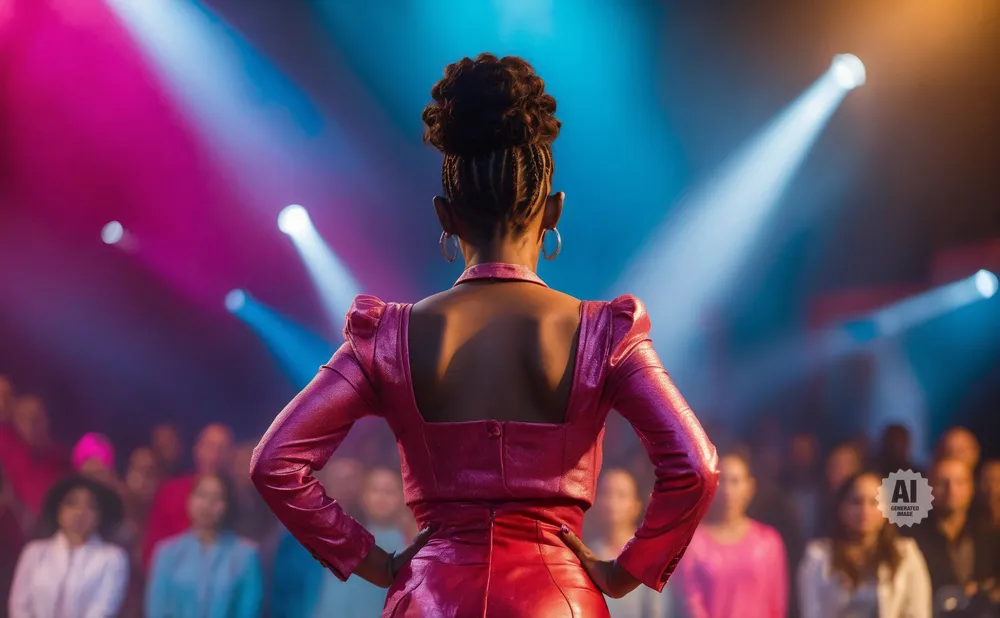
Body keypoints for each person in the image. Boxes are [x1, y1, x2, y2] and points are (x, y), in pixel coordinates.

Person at [251, 52, 719, 618]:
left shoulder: (388, 336)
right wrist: (626, 572)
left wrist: (373, 562)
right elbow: (696, 466)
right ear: (554, 211)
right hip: (559, 599)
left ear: (445, 217)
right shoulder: (605, 334)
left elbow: (275, 462)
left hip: (431, 597)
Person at [798, 471, 931, 618]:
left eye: (874, 502)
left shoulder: (906, 554)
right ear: (842, 508)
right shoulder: (818, 556)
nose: (865, 510)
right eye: (856, 502)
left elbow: (918, 613)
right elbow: (811, 612)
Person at [678, 452, 787, 618]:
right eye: (721, 480)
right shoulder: (693, 544)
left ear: (750, 487)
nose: (727, 490)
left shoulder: (768, 541)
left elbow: (776, 604)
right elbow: (691, 602)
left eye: (735, 481)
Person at [9, 476, 129, 618]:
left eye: (91, 506)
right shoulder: (34, 552)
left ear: (100, 516)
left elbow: (103, 609)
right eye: (71, 503)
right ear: (58, 510)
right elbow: (19, 605)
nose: (80, 512)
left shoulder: (113, 558)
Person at [146, 473, 263, 618]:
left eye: (216, 498)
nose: (207, 504)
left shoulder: (246, 556)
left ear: (228, 504)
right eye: (202, 495)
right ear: (189, 500)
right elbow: (157, 610)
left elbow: (248, 612)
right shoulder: (167, 553)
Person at [906, 457, 1000, 610]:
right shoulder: (911, 537)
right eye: (942, 483)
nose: (952, 490)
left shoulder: (990, 533)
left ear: (971, 487)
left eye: (960, 482)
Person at [588, 468, 681, 618]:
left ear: (636, 505)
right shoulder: (588, 552)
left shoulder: (649, 555)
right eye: (606, 493)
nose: (612, 503)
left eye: (621, 495)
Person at [143, 422, 234, 568]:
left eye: (222, 449)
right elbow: (151, 549)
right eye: (210, 446)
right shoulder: (170, 491)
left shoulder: (235, 499)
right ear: (197, 449)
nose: (215, 455)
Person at [0, 395, 69, 514]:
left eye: (37, 417)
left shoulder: (61, 458)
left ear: (47, 420)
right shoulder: (5, 447)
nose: (31, 423)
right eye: (23, 418)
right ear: (15, 422)